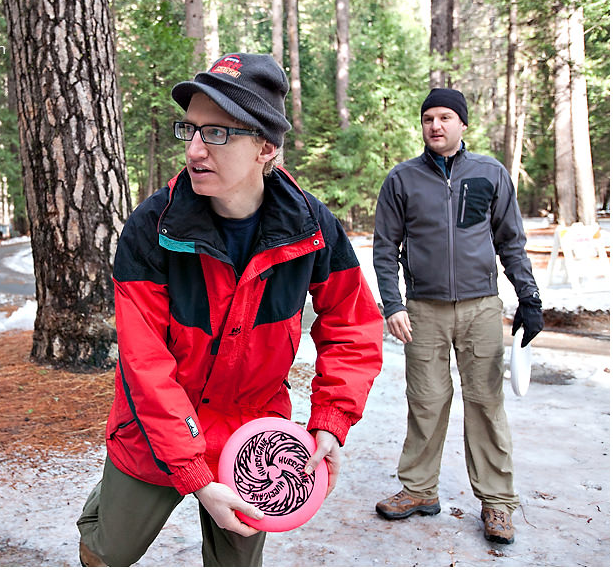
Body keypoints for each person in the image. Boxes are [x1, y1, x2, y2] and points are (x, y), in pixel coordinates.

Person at [76, 53, 384, 566]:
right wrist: (195, 477)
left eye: (217, 133)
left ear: (266, 146)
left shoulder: (312, 228)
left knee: (237, 563)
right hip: (156, 429)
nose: (195, 149)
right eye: (191, 130)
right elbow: (146, 367)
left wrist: (332, 418)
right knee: (109, 551)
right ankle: (108, 510)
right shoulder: (153, 228)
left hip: (254, 439)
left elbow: (352, 324)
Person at [371, 88, 544, 545]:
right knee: (426, 402)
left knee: (486, 405)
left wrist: (529, 297)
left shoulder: (490, 173)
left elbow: (511, 241)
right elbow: (385, 248)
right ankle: (418, 489)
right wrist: (393, 304)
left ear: (463, 124)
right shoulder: (402, 179)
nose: (436, 126)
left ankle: (497, 503)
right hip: (423, 310)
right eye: (428, 118)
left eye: (446, 117)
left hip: (481, 307)